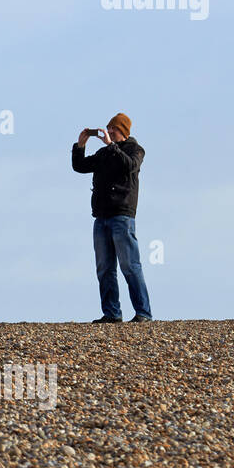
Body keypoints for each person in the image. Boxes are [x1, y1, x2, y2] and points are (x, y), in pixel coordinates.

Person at [71, 113, 153, 323]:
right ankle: (112, 313)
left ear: (123, 132)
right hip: (101, 217)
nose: (109, 132)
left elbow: (129, 166)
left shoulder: (135, 150)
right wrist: (80, 146)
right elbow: (80, 167)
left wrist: (111, 147)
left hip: (122, 216)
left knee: (130, 266)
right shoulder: (105, 153)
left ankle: (143, 313)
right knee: (105, 268)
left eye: (113, 129)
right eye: (108, 129)